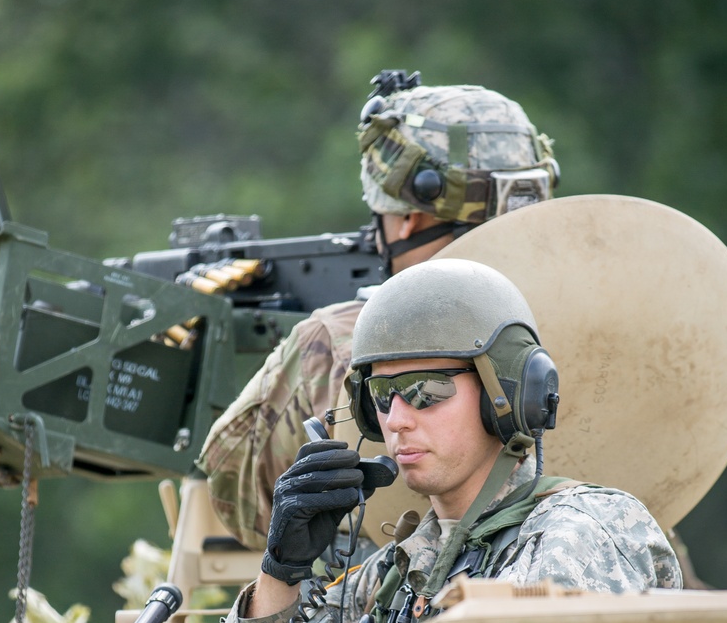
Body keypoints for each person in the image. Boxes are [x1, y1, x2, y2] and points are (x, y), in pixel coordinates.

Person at [207, 258, 682, 623]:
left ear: (510, 393)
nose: (396, 420)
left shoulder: (582, 532)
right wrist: (280, 574)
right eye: (381, 394)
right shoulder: (391, 578)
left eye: (424, 391)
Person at [197, 70, 559, 549]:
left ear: (408, 218)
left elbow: (236, 493)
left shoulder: (333, 340)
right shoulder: (612, 320)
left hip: (396, 604)